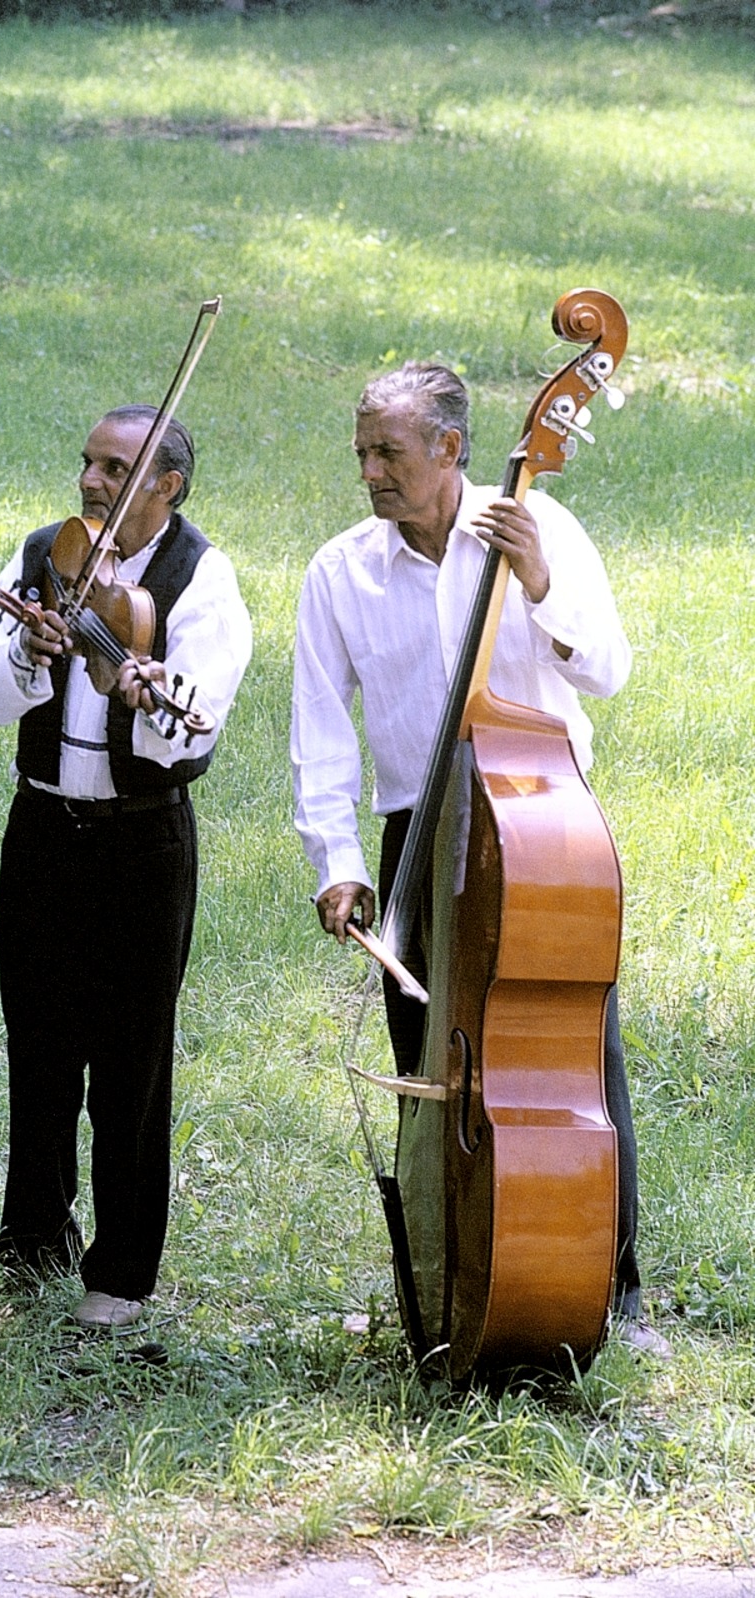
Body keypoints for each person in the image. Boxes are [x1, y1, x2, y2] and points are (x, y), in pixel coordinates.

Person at [288, 359, 665, 1355]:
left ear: (451, 450)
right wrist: (336, 860)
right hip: (417, 833)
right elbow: (319, 730)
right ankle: (445, 1274)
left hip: (535, 823)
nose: (369, 469)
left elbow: (609, 670)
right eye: (361, 450)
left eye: (389, 451)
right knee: (431, 1068)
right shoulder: (338, 571)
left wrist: (539, 583)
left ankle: (608, 1291)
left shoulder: (535, 524)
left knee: (577, 1057)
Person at [0, 405, 252, 1332]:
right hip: (41, 825)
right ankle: (30, 1238)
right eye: (87, 462)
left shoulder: (201, 578)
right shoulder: (45, 553)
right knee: (37, 1042)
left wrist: (150, 691)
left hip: (141, 839)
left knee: (131, 1058)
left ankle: (120, 1273)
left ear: (167, 486)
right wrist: (28, 656)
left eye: (116, 469)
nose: (90, 481)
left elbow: (188, 731)